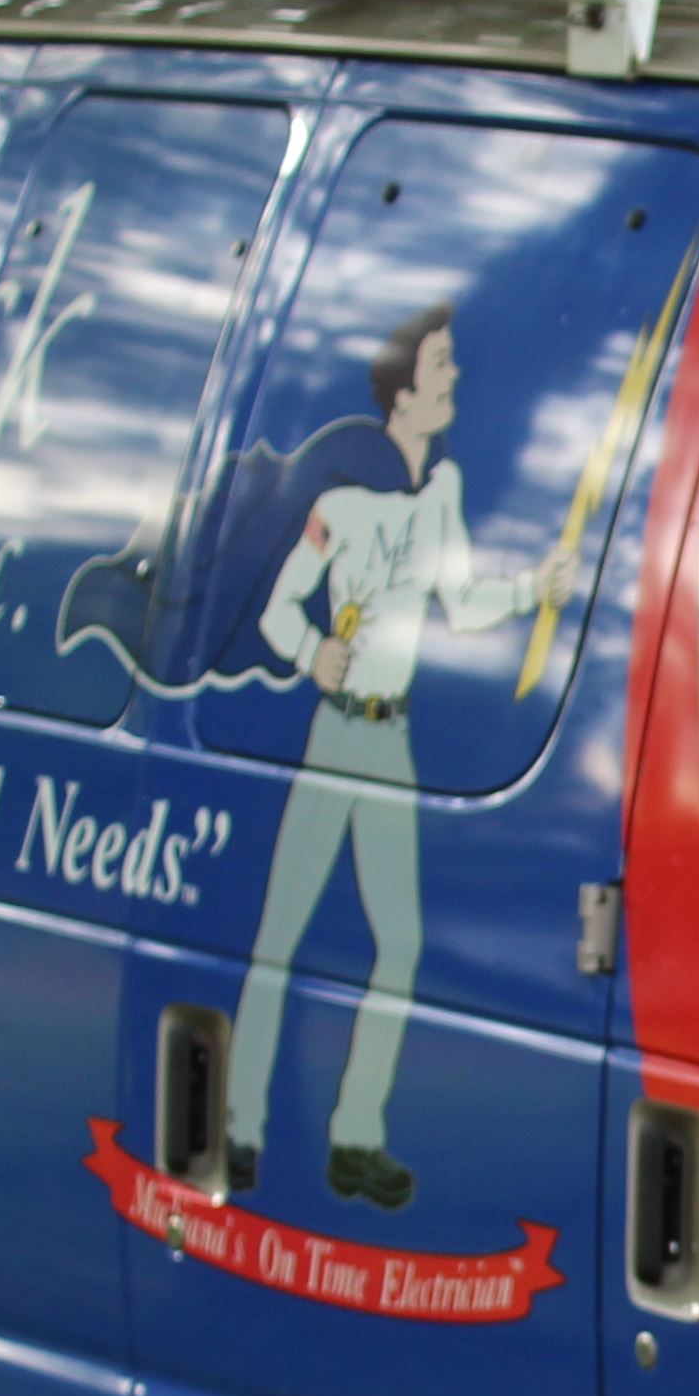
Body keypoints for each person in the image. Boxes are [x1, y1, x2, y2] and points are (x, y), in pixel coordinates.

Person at [222, 305, 579, 1212]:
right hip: (335, 730)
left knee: (402, 943)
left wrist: (533, 588)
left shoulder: (444, 495)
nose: (455, 379)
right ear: (405, 387)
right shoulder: (339, 499)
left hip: (393, 740)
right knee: (279, 937)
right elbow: (276, 609)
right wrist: (312, 657)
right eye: (443, 365)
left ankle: (356, 1136)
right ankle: (240, 1126)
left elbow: (458, 606)